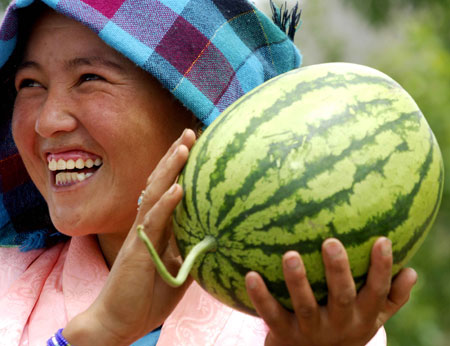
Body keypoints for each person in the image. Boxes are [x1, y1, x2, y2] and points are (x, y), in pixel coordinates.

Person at [0, 0, 417, 345]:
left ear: (200, 112)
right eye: (30, 84)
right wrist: (101, 332)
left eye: (89, 78)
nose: (47, 121)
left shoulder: (306, 312)